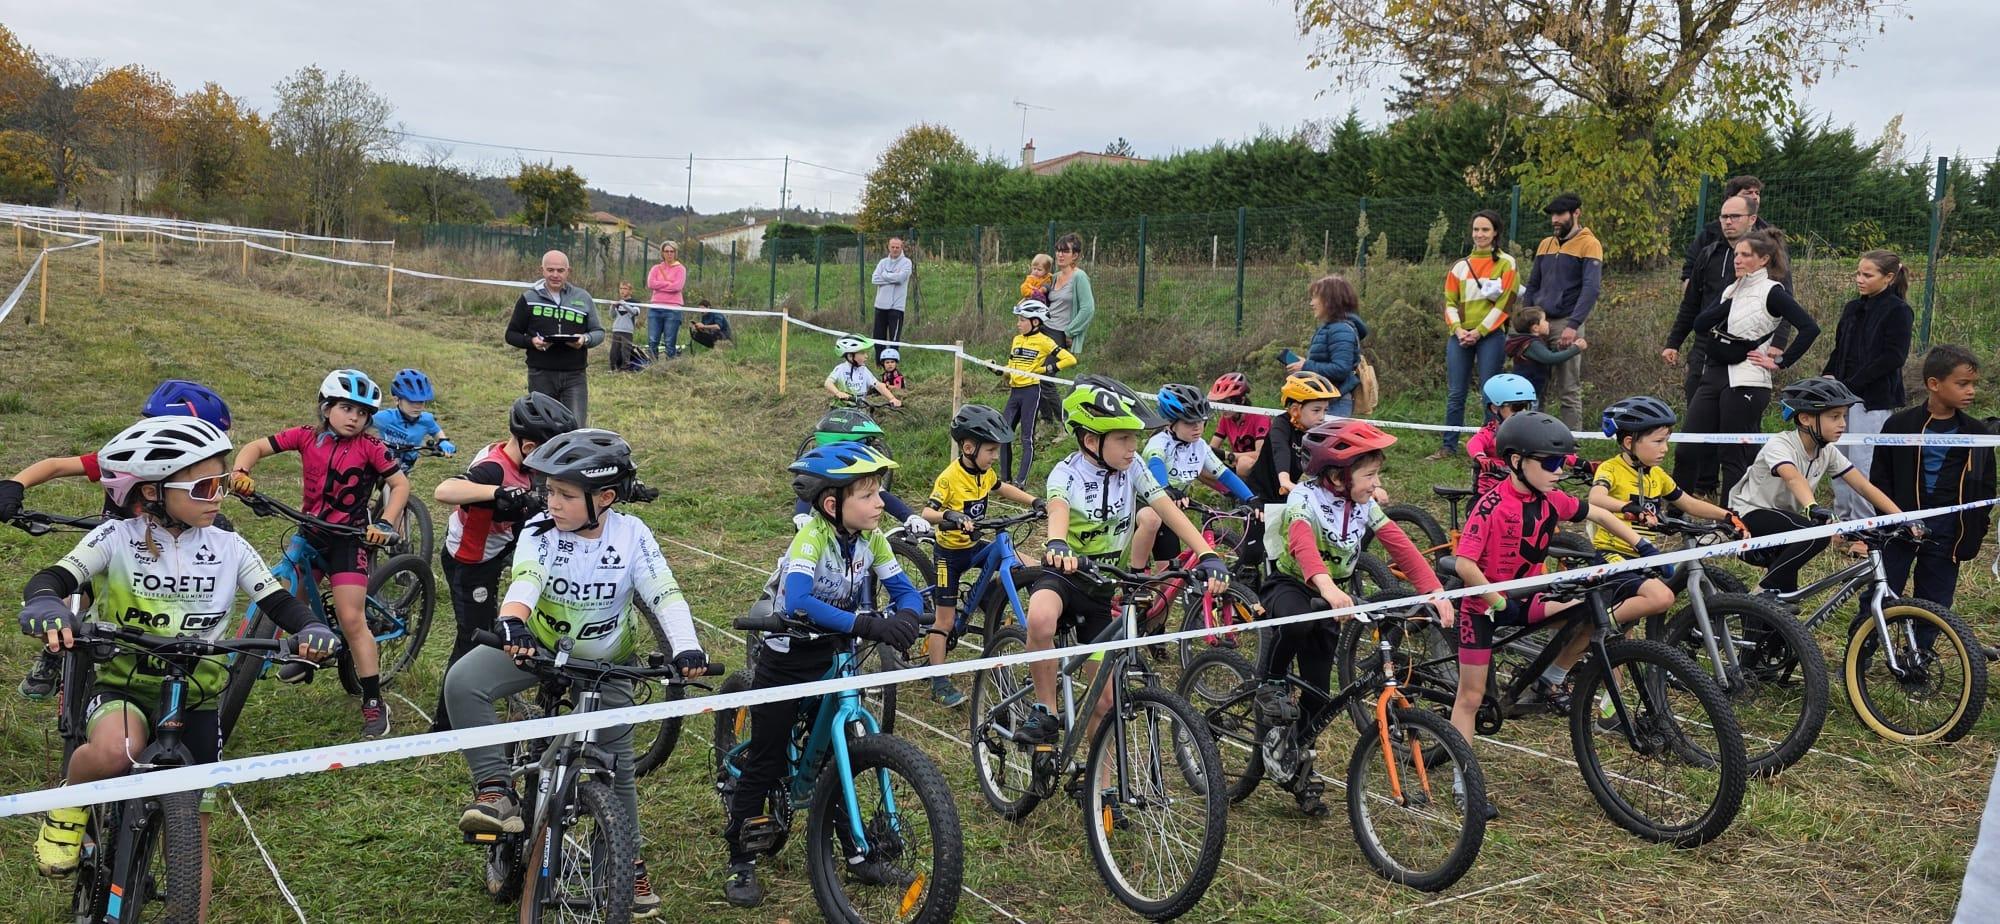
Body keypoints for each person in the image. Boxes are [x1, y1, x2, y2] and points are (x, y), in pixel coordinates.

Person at [24, 417, 336, 884]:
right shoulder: (117, 537)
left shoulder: (230, 545)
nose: (218, 497)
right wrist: (47, 604)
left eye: (223, 484)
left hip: (198, 695)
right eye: (204, 486)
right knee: (116, 751)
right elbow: (53, 578)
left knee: (193, 841)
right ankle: (70, 798)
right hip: (124, 685)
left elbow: (278, 602)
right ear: (153, 492)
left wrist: (312, 626)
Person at [447, 429, 707, 920]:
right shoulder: (541, 528)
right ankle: (495, 791)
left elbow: (664, 593)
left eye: (565, 494)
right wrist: (513, 621)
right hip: (538, 648)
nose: (552, 502)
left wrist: (687, 646)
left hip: (605, 663)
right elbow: (527, 577)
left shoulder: (633, 536)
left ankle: (627, 860)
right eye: (549, 490)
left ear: (604, 498)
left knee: (619, 768)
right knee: (464, 682)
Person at [723, 442, 925, 908]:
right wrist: (866, 623)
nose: (881, 503)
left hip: (834, 651)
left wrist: (909, 617)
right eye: (869, 495)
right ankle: (740, 859)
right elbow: (796, 601)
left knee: (841, 756)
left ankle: (856, 853)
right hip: (787, 654)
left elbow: (904, 590)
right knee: (768, 758)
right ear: (833, 505)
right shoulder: (811, 537)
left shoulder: (872, 540)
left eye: (880, 493)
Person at [1447, 412, 1675, 766]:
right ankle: (1465, 779)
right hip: (1483, 607)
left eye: (1561, 463)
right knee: (1471, 697)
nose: (1559, 471)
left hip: (1529, 598)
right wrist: (1495, 600)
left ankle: (1550, 679)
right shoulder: (1490, 505)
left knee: (1586, 617)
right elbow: (1464, 565)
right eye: (1551, 462)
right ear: (1516, 462)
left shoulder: (1550, 499)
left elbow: (1598, 514)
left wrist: (1643, 547)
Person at [1013, 381, 1231, 748]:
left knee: (1107, 702)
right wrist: (1057, 543)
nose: (1133, 447)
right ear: (1090, 440)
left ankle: (1103, 791)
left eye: (1135, 438)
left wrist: (1207, 554)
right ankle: (1045, 709)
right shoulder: (1066, 473)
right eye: (1123, 439)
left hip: (1102, 589)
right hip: (1065, 575)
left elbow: (1164, 508)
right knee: (1040, 617)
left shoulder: (1134, 468)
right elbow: (1059, 509)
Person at [1253, 420, 1448, 815]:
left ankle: (1297, 761)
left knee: (1318, 694)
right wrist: (1326, 587)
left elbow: (1400, 543)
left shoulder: (1364, 504)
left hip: (1335, 594)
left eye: (1378, 475)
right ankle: (1270, 683)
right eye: (1370, 476)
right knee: (1296, 620)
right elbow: (1303, 545)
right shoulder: (1304, 499)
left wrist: (1435, 591)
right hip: (1295, 584)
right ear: (1338, 476)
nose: (1377, 484)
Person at [2, 379, 236, 702]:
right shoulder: (126, 457)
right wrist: (15, 484)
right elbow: (57, 466)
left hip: (163, 557)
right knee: (75, 596)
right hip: (115, 549)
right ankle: (53, 653)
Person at [227, 369, 408, 738]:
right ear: (326, 408)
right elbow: (257, 446)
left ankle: (373, 701)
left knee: (351, 618)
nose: (354, 417)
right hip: (309, 531)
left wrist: (386, 524)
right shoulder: (306, 437)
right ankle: (307, 651)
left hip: (350, 540)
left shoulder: (371, 447)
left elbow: (399, 484)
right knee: (289, 602)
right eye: (345, 408)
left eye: (362, 413)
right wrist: (242, 470)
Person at [425, 393, 577, 731]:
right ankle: (445, 725)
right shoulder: (494, 467)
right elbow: (444, 490)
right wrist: (494, 492)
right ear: (527, 446)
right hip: (471, 562)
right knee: (472, 637)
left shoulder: (519, 461)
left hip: (501, 547)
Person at [1727, 379, 1906, 596]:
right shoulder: (1781, 444)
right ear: (1805, 418)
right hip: (1749, 515)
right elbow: (1792, 477)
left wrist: (1903, 518)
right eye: (1835, 417)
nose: (1843, 424)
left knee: (1783, 609)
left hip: (1784, 521)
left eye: (1844, 416)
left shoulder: (1827, 451)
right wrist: (1812, 506)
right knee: (1816, 535)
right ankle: (1759, 596)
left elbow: (1864, 486)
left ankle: (1763, 612)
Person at [921, 405, 1043, 707]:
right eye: (990, 450)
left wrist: (1036, 501)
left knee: (1014, 556)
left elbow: (1002, 488)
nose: (994, 457)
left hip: (973, 546)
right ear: (968, 447)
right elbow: (927, 511)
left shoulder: (985, 473)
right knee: (945, 620)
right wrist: (951, 514)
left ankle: (1015, 602)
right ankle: (938, 681)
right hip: (949, 554)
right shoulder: (950, 477)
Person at [1684, 228, 1821, 497]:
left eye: (1745, 255)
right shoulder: (1733, 288)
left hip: (1748, 378)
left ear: (1763, 260)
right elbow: (1700, 324)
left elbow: (1809, 328)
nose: (1737, 259)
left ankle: (1733, 517)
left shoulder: (1773, 291)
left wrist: (1780, 361)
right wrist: (1731, 297)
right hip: (1714, 373)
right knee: (1689, 444)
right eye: (1736, 254)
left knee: (1733, 453)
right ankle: (1677, 509)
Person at [1869, 345, 1994, 618]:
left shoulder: (1976, 432)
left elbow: (1986, 485)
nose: (1971, 391)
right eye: (1962, 384)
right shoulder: (1898, 426)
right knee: (1882, 594)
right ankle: (1860, 654)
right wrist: (1892, 520)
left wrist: (1975, 526)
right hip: (1899, 525)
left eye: (1973, 384)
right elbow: (1879, 479)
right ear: (1934, 384)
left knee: (1936, 602)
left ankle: (1920, 655)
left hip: (1950, 530)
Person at [1667, 194, 1768, 494]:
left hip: (1748, 356)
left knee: (1738, 439)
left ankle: (1741, 501)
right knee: (1694, 431)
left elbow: (1786, 308)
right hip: (1706, 350)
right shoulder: (1709, 254)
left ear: (1751, 219)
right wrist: (1674, 342)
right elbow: (1691, 304)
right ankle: (1694, 491)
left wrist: (1779, 350)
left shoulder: (1767, 259)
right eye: (1724, 216)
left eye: (1734, 216)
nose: (1727, 222)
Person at [1589, 396, 1749, 564]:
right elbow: (1596, 498)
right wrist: (1629, 507)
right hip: (1612, 552)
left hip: (1644, 553)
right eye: (1658, 441)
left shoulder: (1657, 474)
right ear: (1629, 443)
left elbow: (1688, 503)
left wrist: (1727, 515)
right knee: (1659, 591)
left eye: (1666, 441)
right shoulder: (1610, 468)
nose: (1665, 449)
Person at [1826, 250, 1916, 532]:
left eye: (1868, 275)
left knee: (1862, 463)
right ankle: (1842, 522)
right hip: (1840, 397)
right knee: (1837, 460)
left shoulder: (1898, 310)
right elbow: (1840, 349)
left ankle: (1864, 526)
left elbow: (1893, 357)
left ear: (1888, 278)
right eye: (1858, 273)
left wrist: (1853, 385)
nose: (1860, 279)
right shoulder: (1852, 308)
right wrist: (1828, 379)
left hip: (1872, 400)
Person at [1130, 383, 1257, 571]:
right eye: (1190, 422)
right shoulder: (1158, 443)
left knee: (1170, 580)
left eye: (1201, 421)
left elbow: (1225, 474)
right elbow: (1155, 464)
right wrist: (1167, 488)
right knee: (1151, 519)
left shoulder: (1200, 446)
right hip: (1143, 505)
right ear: (1171, 422)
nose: (1198, 428)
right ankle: (1136, 575)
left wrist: (1251, 498)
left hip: (1170, 509)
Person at [1432, 210, 1518, 460]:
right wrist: (1458, 329)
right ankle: (1449, 445)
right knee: (1456, 392)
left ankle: (1490, 446)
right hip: (1459, 336)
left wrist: (1479, 332)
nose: (1480, 234)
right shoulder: (1459, 267)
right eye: (1476, 230)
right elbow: (1449, 301)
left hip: (1490, 336)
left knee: (1490, 392)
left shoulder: (1506, 263)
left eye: (1485, 230)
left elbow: (1506, 303)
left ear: (1495, 233)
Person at [1518, 193, 1603, 429]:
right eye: (1553, 215)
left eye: (1560, 214)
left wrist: (1573, 325)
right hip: (1539, 323)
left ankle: (1571, 446)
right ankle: (1533, 435)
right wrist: (1529, 318)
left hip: (1566, 322)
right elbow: (1533, 284)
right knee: (1535, 384)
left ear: (1576, 213)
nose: (1555, 219)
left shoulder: (1590, 244)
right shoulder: (1545, 244)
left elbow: (1591, 288)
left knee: (1568, 387)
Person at [505, 250, 602, 426]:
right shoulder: (529, 298)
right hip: (541, 374)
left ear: (568, 271)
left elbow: (599, 332)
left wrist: (584, 339)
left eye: (560, 270)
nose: (555, 275)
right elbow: (511, 335)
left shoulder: (583, 298)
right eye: (550, 270)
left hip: (575, 375)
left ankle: (572, 454)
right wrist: (531, 342)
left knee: (575, 427)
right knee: (543, 426)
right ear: (542, 270)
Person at [996, 298, 1076, 485]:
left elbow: (1070, 359)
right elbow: (1011, 366)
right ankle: (1005, 480)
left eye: (1022, 320)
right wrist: (999, 370)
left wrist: (1043, 370)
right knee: (1004, 434)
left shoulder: (1044, 341)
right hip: (1014, 393)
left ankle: (1020, 481)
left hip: (1031, 392)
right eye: (1018, 319)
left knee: (1026, 438)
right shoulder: (1016, 340)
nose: (1018, 324)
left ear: (1035, 321)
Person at [1245, 371, 1342, 503]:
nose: (1322, 417)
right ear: (1296, 410)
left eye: (1325, 410)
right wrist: (1285, 480)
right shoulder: (1281, 424)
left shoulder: (1317, 430)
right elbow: (1281, 450)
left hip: (1288, 495)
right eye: (1316, 410)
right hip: (1259, 493)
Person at [1288, 274, 1367, 418]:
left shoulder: (1340, 329)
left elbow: (1341, 369)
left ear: (1331, 300)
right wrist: (1302, 365)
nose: (1311, 303)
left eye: (1315, 298)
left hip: (1335, 404)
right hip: (1324, 401)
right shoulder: (1330, 328)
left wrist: (1306, 366)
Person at [1040, 233, 1095, 425]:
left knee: (1045, 377)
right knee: (1032, 375)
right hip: (1043, 330)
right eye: (1058, 250)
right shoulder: (1054, 277)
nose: (1060, 255)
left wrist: (1070, 332)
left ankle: (1065, 424)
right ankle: (1046, 422)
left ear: (1076, 255)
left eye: (1065, 251)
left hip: (1059, 334)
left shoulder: (1079, 277)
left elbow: (1088, 308)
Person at [1465, 373, 1539, 500]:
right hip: (1490, 492)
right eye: (1517, 407)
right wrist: (1480, 456)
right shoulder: (1492, 430)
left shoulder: (1530, 431)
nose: (1523, 412)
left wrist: (1577, 462)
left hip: (1523, 486)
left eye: (1526, 406)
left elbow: (1550, 445)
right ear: (1495, 408)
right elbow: (1474, 442)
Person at [374, 368, 455, 470]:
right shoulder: (385, 417)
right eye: (411, 402)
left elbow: (436, 431)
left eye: (421, 402)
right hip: (385, 459)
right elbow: (364, 421)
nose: (418, 407)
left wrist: (443, 441)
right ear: (396, 400)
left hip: (407, 463)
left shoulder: (426, 420)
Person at [1503, 307, 1586, 406]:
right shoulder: (1532, 344)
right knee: (1530, 416)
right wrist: (1576, 349)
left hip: (1527, 391)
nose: (1548, 323)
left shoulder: (1531, 342)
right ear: (1535, 328)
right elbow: (1550, 358)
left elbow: (1546, 355)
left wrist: (1558, 348)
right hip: (1527, 393)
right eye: (1544, 320)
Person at [1207, 372, 1268, 478]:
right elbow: (1212, 448)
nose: (1222, 408)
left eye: (1226, 402)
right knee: (1203, 467)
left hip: (1261, 469)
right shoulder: (1225, 419)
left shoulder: (1260, 418)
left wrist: (1229, 456)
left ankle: (1255, 492)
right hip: (1237, 466)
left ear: (1242, 400)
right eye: (1219, 403)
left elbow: (1260, 455)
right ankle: (1232, 493)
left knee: (1243, 463)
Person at [823, 336, 902, 408]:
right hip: (840, 408)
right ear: (850, 356)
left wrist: (892, 398)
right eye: (862, 353)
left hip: (859, 409)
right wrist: (837, 393)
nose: (866, 356)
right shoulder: (841, 368)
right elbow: (828, 383)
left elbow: (878, 385)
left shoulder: (864, 369)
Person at [869, 236, 913, 364]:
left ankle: (892, 366)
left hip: (896, 308)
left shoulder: (906, 263)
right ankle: (879, 363)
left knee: (893, 339)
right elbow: (874, 279)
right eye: (892, 247)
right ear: (888, 247)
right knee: (878, 338)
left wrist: (885, 275)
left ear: (901, 247)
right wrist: (892, 276)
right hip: (880, 306)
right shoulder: (882, 262)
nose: (894, 249)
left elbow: (900, 279)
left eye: (897, 247)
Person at [645, 241, 687, 360]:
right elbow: (650, 283)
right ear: (662, 253)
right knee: (653, 340)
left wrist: (660, 285)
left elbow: (678, 286)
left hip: (673, 309)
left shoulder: (681, 269)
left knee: (670, 342)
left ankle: (669, 368)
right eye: (666, 251)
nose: (669, 254)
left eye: (671, 251)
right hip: (656, 308)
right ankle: (652, 366)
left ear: (675, 253)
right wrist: (668, 284)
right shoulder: (656, 268)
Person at [609, 281, 644, 371]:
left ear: (630, 291)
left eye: (625, 289)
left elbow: (634, 312)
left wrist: (624, 304)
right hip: (616, 329)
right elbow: (612, 316)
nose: (622, 291)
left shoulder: (635, 302)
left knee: (625, 351)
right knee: (614, 351)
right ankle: (613, 368)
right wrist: (612, 306)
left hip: (627, 331)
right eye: (620, 288)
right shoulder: (618, 302)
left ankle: (625, 369)